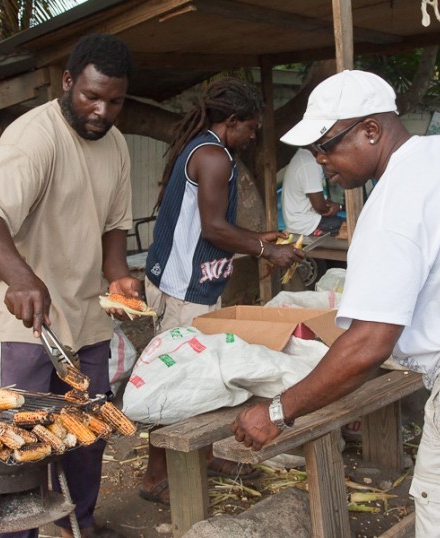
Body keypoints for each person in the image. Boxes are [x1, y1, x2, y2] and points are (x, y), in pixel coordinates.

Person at [231, 70, 440, 537]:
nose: (320, 160)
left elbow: (369, 344)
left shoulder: (391, 205)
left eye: (327, 145)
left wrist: (276, 411)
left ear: (371, 130)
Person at [0, 34, 137, 538]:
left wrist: (118, 274)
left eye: (114, 100)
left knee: (90, 432)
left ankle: (76, 524)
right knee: (17, 437)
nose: (102, 111)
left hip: (85, 316)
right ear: (68, 82)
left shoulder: (117, 143)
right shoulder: (33, 137)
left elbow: (113, 226)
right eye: (91, 96)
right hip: (24, 318)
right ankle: (17, 534)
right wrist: (20, 278)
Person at [140, 77, 305, 505]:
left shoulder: (208, 149)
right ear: (231, 121)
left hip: (192, 283)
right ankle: (155, 475)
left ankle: (205, 453)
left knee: (201, 372)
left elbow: (212, 228)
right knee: (175, 379)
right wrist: (267, 250)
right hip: (182, 288)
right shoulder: (214, 156)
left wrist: (259, 237)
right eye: (250, 127)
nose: (253, 137)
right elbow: (214, 227)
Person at [281, 147, 343, 236]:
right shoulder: (309, 163)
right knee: (354, 227)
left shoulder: (302, 157)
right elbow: (320, 208)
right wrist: (338, 207)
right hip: (308, 224)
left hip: (300, 223)